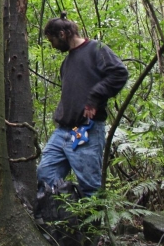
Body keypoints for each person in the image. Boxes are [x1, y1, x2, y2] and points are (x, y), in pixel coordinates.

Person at [37, 12, 128, 197]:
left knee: (90, 187)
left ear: (62, 34)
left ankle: (94, 226)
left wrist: (95, 96)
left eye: (52, 40)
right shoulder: (67, 62)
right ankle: (58, 220)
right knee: (45, 175)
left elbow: (119, 73)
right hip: (63, 131)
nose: (52, 46)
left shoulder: (96, 49)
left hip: (87, 130)